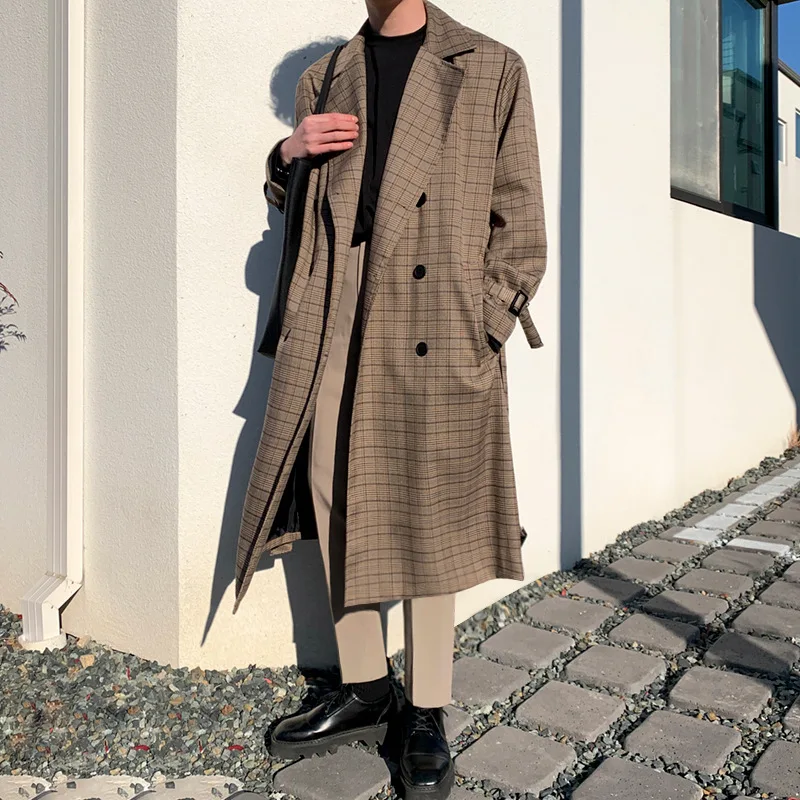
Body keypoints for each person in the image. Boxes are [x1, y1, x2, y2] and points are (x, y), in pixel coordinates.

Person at [234, 1, 546, 797]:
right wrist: (286, 155)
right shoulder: (324, 78)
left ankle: (428, 708)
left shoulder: (489, 65)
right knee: (332, 486)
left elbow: (521, 218)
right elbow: (300, 208)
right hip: (338, 302)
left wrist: (484, 322)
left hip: (438, 311)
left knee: (427, 503)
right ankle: (368, 685)